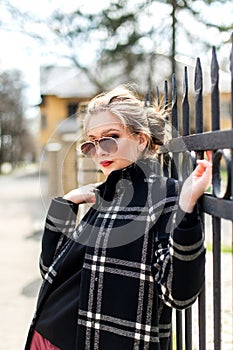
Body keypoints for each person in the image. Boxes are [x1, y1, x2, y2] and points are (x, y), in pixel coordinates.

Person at [25, 85, 212, 350]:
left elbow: (178, 294)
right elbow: (50, 270)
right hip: (45, 337)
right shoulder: (106, 195)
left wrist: (187, 211)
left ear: (141, 139)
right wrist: (65, 205)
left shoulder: (164, 195)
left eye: (110, 137)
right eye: (91, 142)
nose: (99, 151)